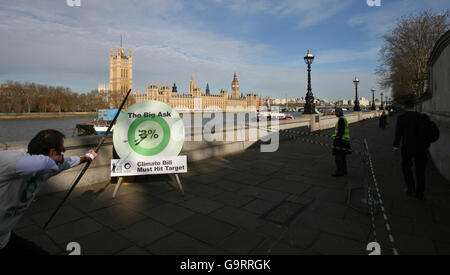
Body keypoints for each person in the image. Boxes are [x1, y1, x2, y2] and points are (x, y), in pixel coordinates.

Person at [0, 129, 97, 255]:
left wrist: (86, 157)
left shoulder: (51, 165)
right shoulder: (11, 160)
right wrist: (54, 160)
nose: (62, 156)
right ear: (52, 152)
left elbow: (67, 162)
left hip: (4, 237)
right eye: (62, 150)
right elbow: (45, 163)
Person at [393, 98, 428, 200]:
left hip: (407, 147)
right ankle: (420, 193)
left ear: (405, 106)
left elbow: (398, 134)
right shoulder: (422, 117)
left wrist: (395, 146)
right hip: (422, 148)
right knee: (420, 170)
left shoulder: (402, 118)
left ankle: (410, 188)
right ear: (414, 105)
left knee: (406, 168)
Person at [332, 108, 351, 177]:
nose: (335, 113)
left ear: (339, 112)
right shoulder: (343, 119)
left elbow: (340, 131)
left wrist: (336, 138)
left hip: (340, 142)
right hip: (344, 141)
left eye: (336, 112)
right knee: (343, 157)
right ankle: (344, 171)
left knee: (338, 157)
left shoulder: (341, 119)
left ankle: (339, 171)